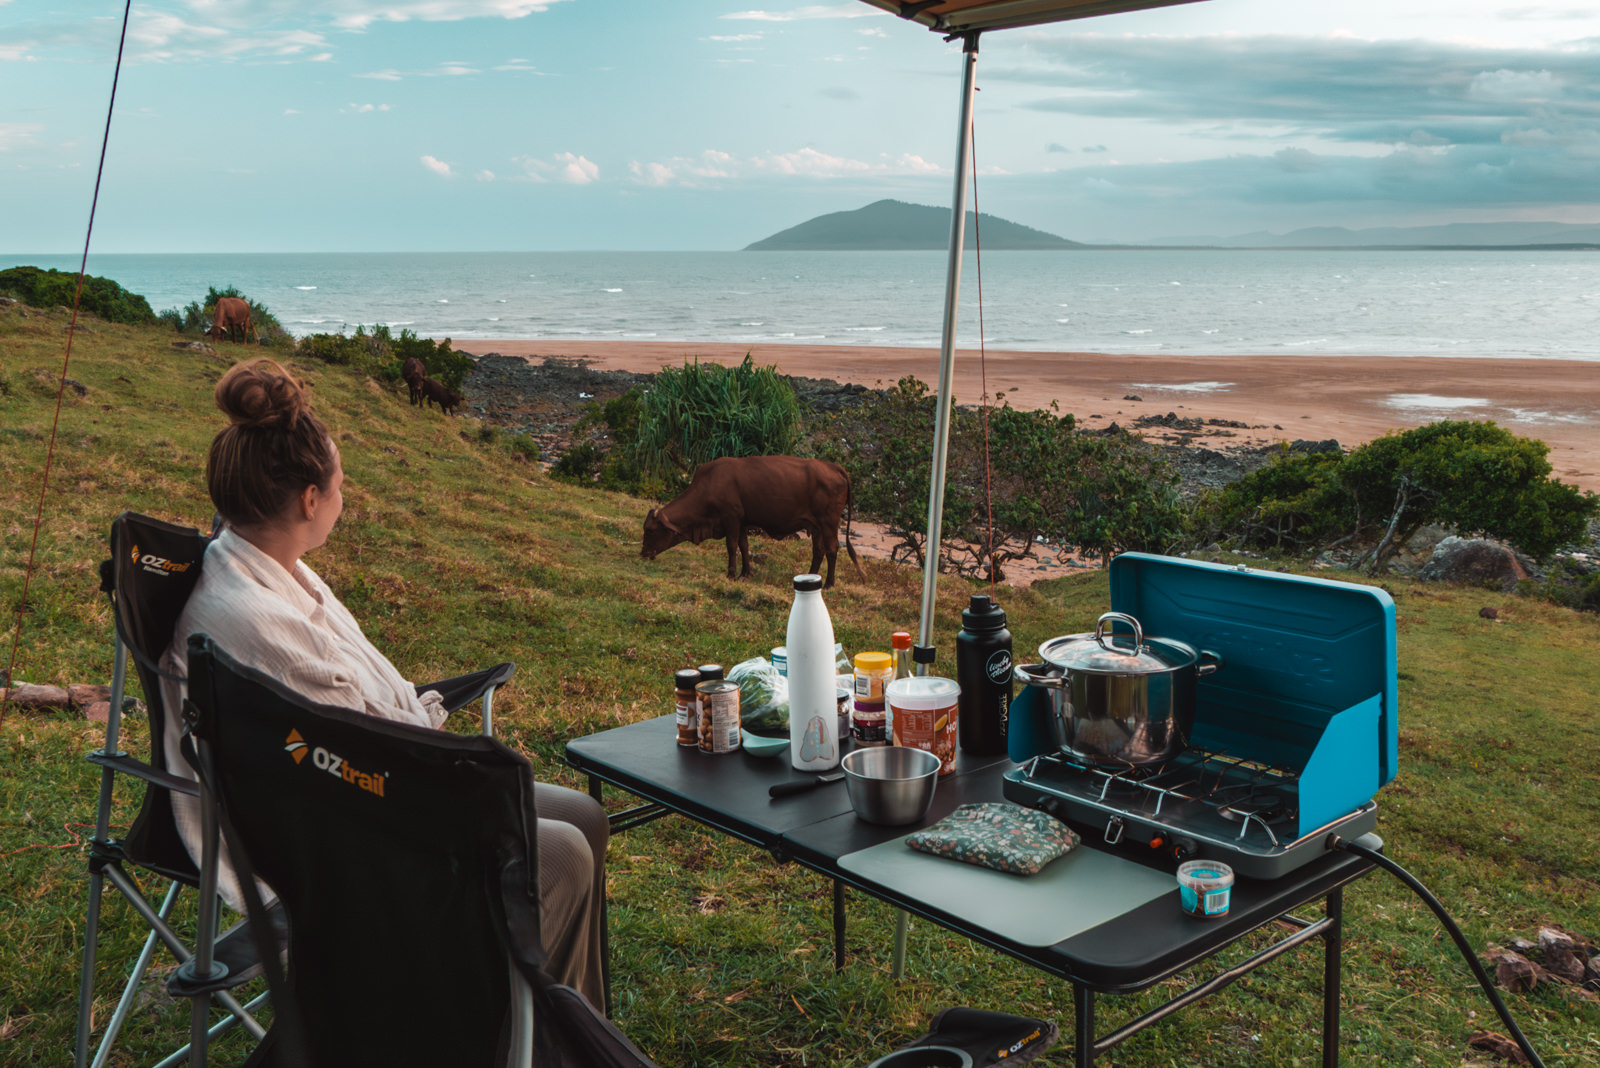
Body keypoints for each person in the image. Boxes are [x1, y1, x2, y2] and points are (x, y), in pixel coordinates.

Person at [160, 357, 607, 1006]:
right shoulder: (256, 619)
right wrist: (460, 766)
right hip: (331, 826)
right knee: (561, 853)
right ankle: (497, 1031)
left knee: (582, 815)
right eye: (341, 484)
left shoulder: (259, 564)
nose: (346, 496)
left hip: (329, 787)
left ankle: (571, 1026)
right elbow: (361, 754)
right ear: (311, 499)